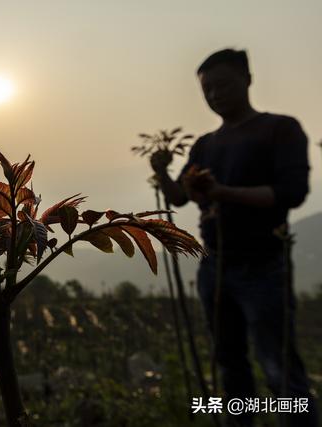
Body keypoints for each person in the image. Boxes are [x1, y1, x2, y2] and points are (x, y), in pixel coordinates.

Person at [151, 49, 318, 427]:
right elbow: (179, 196)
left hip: (264, 265)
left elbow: (291, 192)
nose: (214, 95)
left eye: (222, 85)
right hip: (215, 266)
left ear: (248, 79)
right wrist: (161, 171)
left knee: (278, 367)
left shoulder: (280, 128)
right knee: (230, 366)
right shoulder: (205, 145)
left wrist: (221, 192)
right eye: (207, 89)